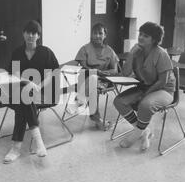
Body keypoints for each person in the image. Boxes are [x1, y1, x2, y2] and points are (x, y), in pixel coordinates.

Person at [113, 22, 175, 151]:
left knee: (145, 104)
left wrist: (146, 94)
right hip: (144, 87)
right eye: (140, 34)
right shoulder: (137, 52)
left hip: (164, 90)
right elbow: (125, 73)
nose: (140, 37)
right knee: (119, 101)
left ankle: (136, 134)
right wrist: (131, 54)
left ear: (154, 39)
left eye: (145, 36)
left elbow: (163, 81)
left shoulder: (161, 54)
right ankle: (143, 130)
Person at [3, 20, 60, 164]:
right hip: (22, 92)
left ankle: (16, 148)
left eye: (34, 33)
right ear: (23, 34)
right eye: (28, 32)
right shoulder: (17, 52)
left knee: (23, 101)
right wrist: (28, 83)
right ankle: (38, 142)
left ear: (38, 36)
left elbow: (50, 75)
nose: (31, 36)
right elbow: (14, 75)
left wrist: (37, 87)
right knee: (24, 96)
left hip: (43, 93)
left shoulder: (46, 52)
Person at [69, 23, 119, 128]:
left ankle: (79, 101)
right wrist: (95, 72)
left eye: (100, 33)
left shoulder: (110, 51)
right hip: (86, 78)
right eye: (95, 33)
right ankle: (97, 119)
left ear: (105, 35)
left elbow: (115, 70)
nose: (97, 36)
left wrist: (104, 73)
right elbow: (84, 66)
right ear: (91, 35)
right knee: (92, 80)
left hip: (104, 81)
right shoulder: (85, 48)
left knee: (94, 82)